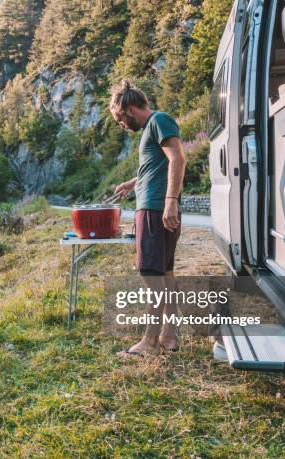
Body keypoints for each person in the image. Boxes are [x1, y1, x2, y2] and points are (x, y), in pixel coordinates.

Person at [109, 80, 186, 357]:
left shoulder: (159, 121)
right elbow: (159, 164)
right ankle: (169, 336)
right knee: (165, 275)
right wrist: (134, 182)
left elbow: (178, 158)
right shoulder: (154, 127)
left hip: (155, 209)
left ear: (129, 108)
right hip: (155, 206)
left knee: (151, 276)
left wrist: (170, 202)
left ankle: (149, 342)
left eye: (121, 119)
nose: (122, 125)